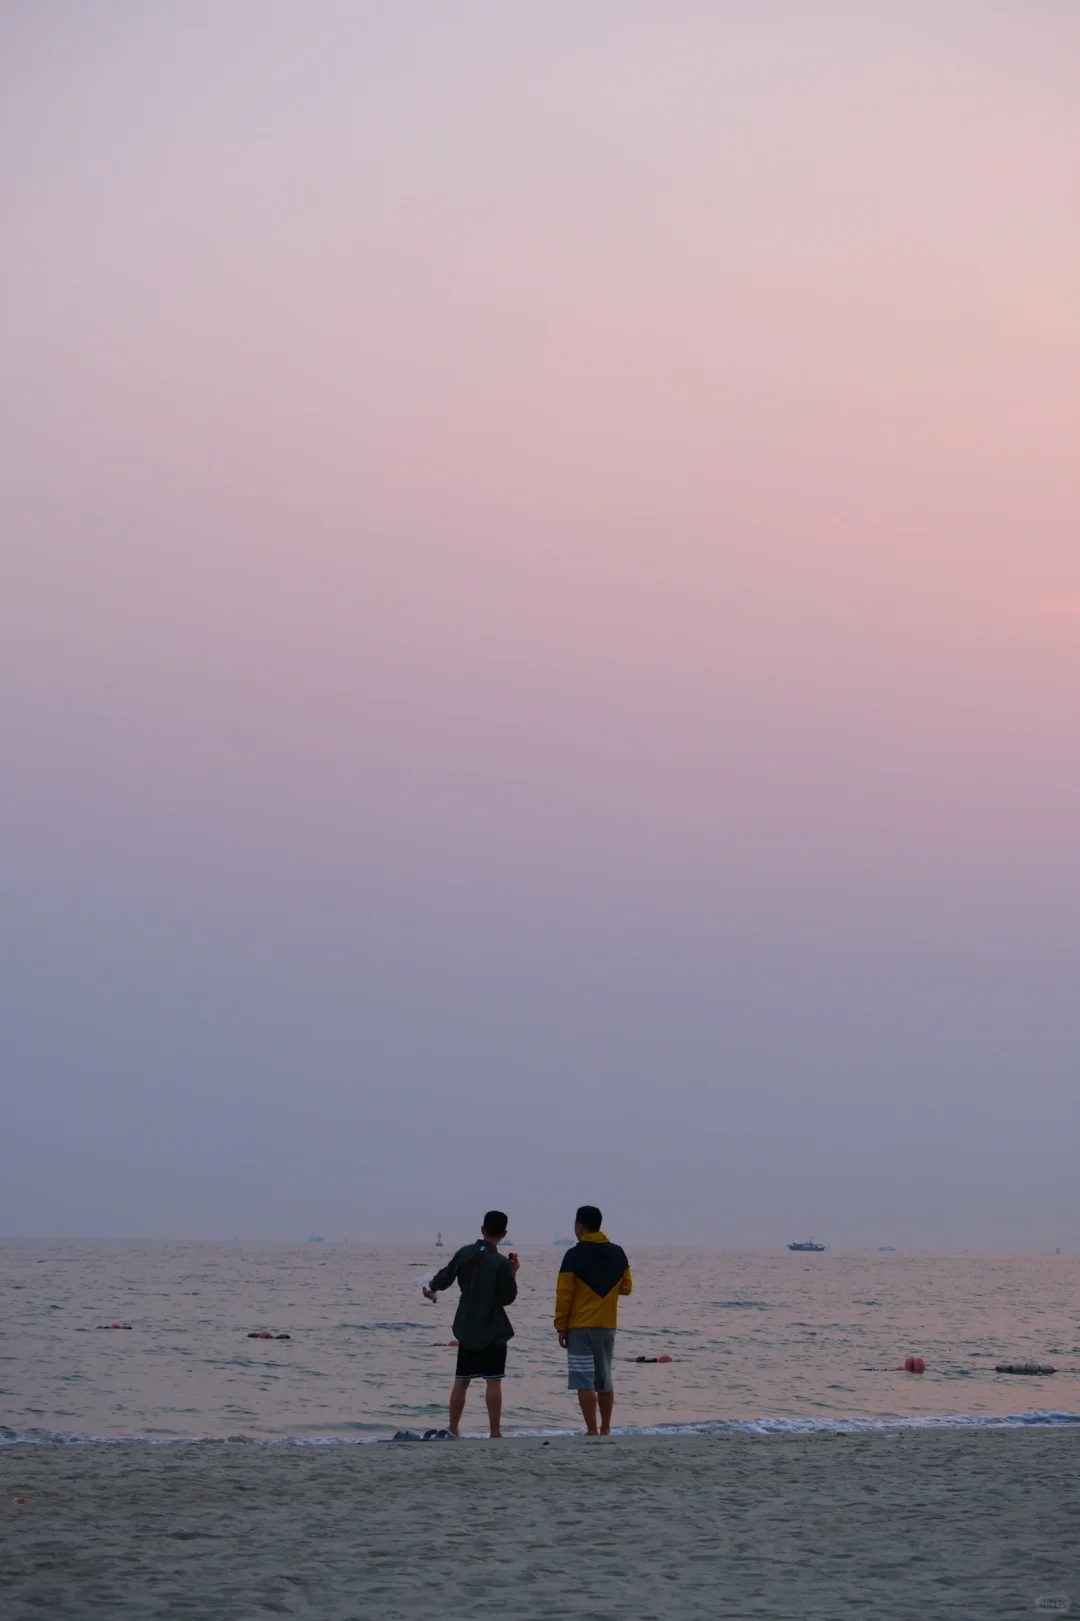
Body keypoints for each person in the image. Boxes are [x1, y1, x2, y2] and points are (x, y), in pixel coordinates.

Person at [424, 1211, 519, 1438]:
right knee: (493, 1380)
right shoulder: (501, 1262)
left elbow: (444, 1277)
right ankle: (495, 1432)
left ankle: (454, 1427)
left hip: (467, 1326)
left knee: (461, 1381)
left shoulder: (465, 1253)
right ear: (504, 1233)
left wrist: (432, 1289)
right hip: (494, 1328)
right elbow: (507, 1298)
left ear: (482, 1229)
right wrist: (513, 1273)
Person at [554, 1205, 632, 1435]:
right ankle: (606, 1428)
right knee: (604, 1379)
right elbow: (627, 1287)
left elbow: (564, 1294)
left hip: (579, 1326)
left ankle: (591, 1430)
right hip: (607, 1325)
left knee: (583, 1380)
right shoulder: (618, 1253)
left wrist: (561, 1326)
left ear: (580, 1226)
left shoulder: (573, 1255)